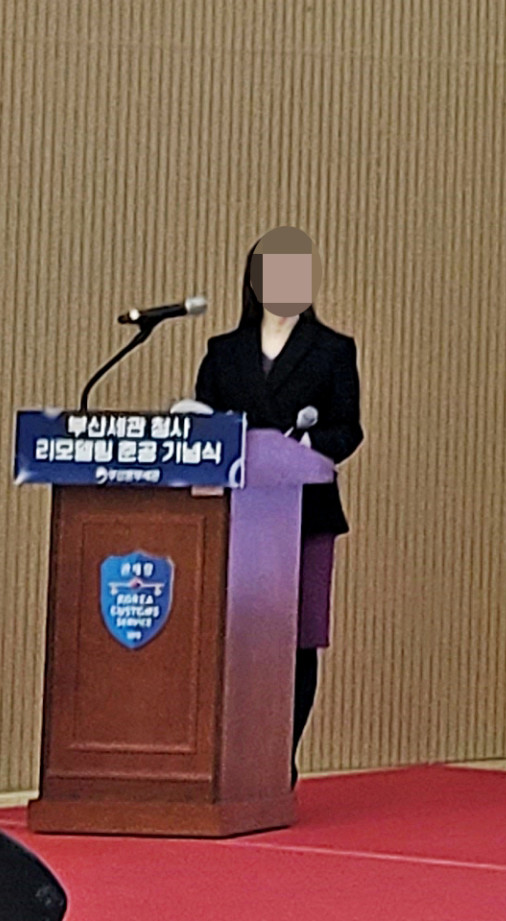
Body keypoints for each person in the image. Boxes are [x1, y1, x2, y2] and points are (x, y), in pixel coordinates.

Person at [193, 226, 362, 757]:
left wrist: (305, 444)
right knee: (236, 637)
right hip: (236, 517)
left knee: (298, 638)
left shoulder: (333, 350)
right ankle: (233, 756)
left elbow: (347, 430)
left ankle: (279, 757)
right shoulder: (223, 352)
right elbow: (205, 429)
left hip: (305, 514)